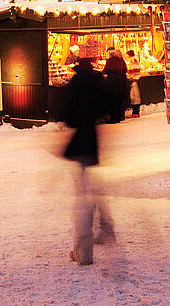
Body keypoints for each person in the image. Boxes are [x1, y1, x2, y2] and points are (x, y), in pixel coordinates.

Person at [61, 57, 114, 266]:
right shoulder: (97, 81)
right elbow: (106, 108)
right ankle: (105, 228)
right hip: (92, 139)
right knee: (90, 190)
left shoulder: (76, 84)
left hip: (80, 141)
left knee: (82, 199)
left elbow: (68, 115)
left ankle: (83, 253)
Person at [103, 50, 128, 124]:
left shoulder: (109, 61)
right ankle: (118, 117)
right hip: (119, 83)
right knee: (118, 100)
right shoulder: (120, 60)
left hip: (112, 83)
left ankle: (113, 118)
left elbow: (105, 70)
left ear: (110, 55)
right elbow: (125, 70)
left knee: (112, 101)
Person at [126, 50, 142, 117]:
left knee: (134, 97)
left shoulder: (133, 62)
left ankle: (135, 112)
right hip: (134, 81)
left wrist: (133, 79)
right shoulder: (133, 61)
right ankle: (135, 112)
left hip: (134, 81)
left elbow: (135, 72)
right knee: (134, 97)